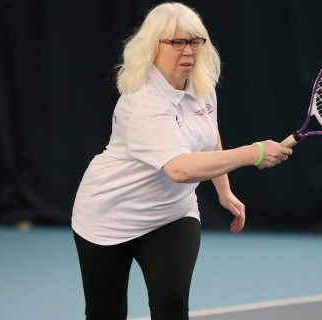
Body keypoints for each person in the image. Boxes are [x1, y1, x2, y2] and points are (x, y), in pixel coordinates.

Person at [71, 2, 292, 319]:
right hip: (109, 216)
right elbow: (180, 168)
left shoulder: (201, 88)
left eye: (195, 41)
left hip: (173, 214)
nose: (188, 51)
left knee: (172, 304)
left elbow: (209, 136)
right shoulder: (142, 102)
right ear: (152, 45)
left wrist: (223, 191)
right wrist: (254, 153)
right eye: (176, 42)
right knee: (106, 311)